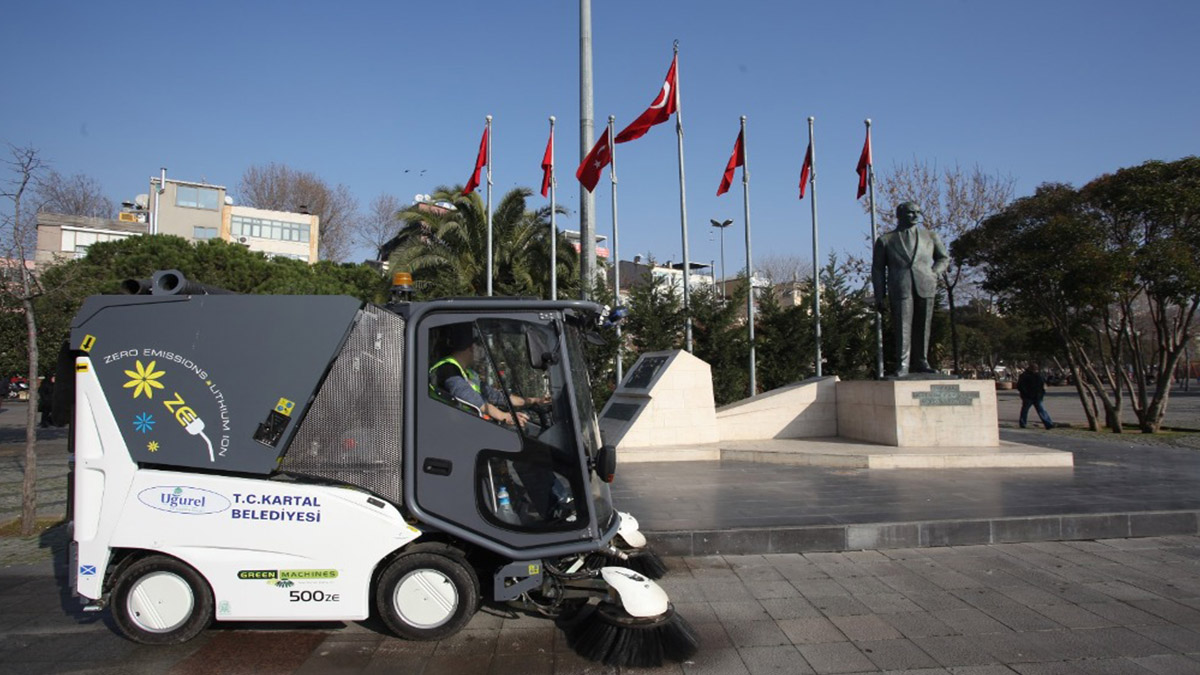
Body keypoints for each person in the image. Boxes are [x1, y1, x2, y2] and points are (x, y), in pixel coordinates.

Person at [871, 201, 950, 377]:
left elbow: (943, 258)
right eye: (910, 213)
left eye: (917, 213)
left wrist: (934, 273)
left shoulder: (930, 236)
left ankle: (922, 361)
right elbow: (877, 269)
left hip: (925, 284)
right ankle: (903, 364)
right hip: (900, 287)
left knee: (924, 325)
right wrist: (879, 295)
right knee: (902, 326)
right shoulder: (886, 240)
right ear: (899, 215)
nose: (915, 216)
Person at [428, 323, 546, 427]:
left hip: (466, 426)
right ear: (471, 347)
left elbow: (496, 397)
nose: (482, 351)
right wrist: (504, 416)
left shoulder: (469, 373)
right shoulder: (447, 369)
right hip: (449, 429)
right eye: (480, 345)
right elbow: (468, 397)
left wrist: (535, 400)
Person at [1017, 364, 1055, 429]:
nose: (1035, 370)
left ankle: (1048, 423)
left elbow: (1043, 384)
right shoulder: (1025, 376)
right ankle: (1023, 423)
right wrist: (1026, 394)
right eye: (1034, 369)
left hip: (1036, 396)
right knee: (1027, 410)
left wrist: (1042, 393)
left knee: (1040, 410)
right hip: (1030, 397)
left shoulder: (1037, 375)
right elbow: (1020, 386)